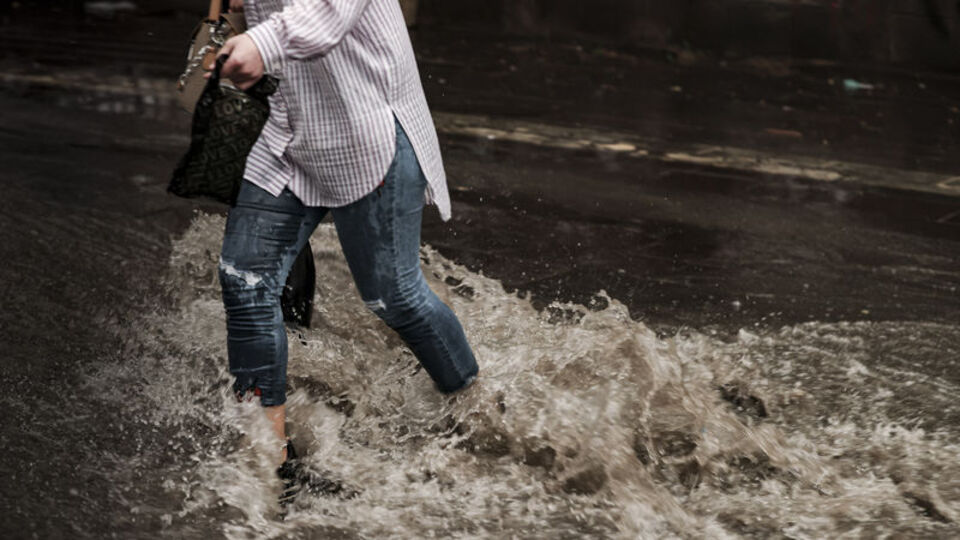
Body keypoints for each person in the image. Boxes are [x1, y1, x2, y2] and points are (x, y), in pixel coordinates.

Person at [210, 0, 479, 472]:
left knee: (393, 296)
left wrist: (261, 41)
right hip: (286, 130)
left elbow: (331, 12)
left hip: (366, 128)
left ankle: (475, 410)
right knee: (245, 281)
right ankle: (268, 459)